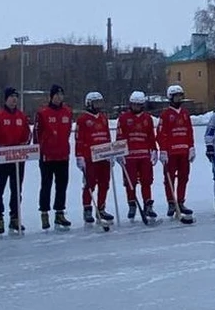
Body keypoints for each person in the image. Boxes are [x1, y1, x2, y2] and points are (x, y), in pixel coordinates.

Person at [0, 86, 31, 235]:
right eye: (11, 97)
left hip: (18, 160)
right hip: (2, 160)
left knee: (16, 190)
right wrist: (6, 150)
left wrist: (21, 148)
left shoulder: (22, 116)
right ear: (6, 99)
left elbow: (28, 135)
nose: (14, 99)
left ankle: (15, 217)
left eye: (16, 97)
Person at [34, 85, 73, 230]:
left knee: (62, 185)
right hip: (47, 156)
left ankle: (59, 213)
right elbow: (37, 132)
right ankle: (44, 213)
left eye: (61, 94)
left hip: (62, 155)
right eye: (56, 95)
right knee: (46, 185)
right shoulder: (43, 112)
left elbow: (68, 130)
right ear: (51, 97)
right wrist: (39, 149)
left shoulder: (67, 111)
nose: (59, 97)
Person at [116, 91, 158, 222]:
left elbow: (151, 136)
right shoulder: (123, 118)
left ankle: (148, 204)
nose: (136, 107)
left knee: (146, 181)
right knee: (130, 182)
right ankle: (132, 204)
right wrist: (119, 152)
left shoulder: (147, 118)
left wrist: (154, 150)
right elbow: (120, 136)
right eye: (134, 104)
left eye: (139, 105)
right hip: (129, 157)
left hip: (144, 155)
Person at [75, 92, 114, 225]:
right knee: (90, 183)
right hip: (89, 157)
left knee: (105, 183)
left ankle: (101, 208)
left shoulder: (103, 118)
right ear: (89, 103)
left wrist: (111, 152)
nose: (98, 105)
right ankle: (87, 209)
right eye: (96, 103)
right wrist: (79, 156)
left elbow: (107, 136)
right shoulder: (83, 119)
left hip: (103, 156)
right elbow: (79, 139)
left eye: (100, 102)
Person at [157, 84, 195, 218]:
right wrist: (163, 150)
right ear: (170, 98)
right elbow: (161, 134)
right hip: (171, 153)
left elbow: (189, 131)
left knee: (184, 178)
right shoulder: (165, 114)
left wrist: (191, 147)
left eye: (180, 96)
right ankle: (171, 202)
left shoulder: (185, 113)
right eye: (176, 96)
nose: (178, 99)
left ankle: (180, 201)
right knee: (169, 179)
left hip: (184, 152)